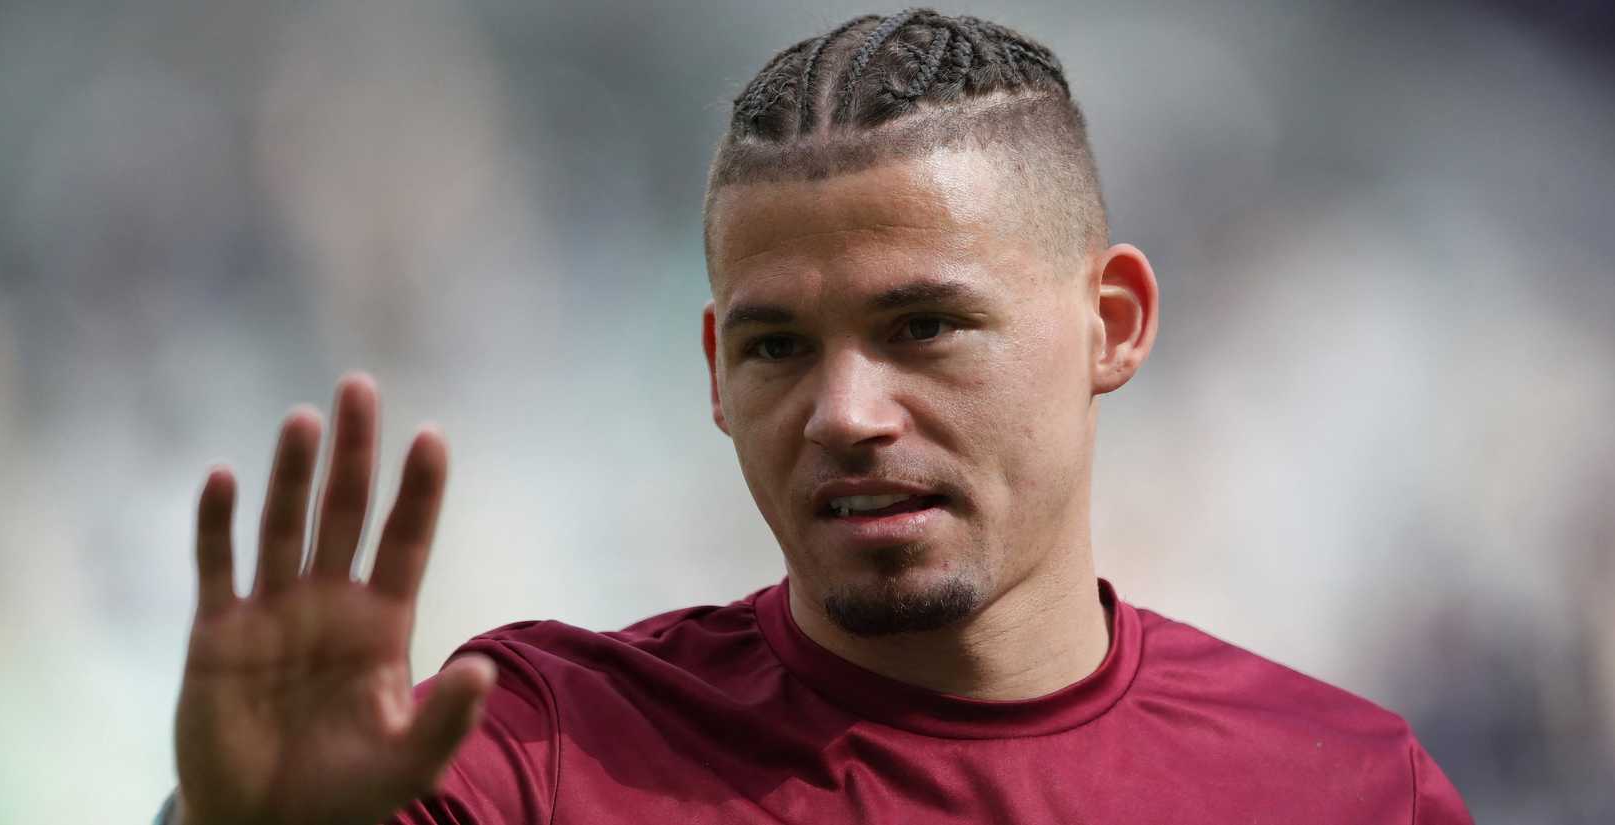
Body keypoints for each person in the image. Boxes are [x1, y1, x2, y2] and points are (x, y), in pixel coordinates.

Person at [161, 9, 1473, 824]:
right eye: (777, 345)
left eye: (924, 327)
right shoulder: (541, 753)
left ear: (1111, 323)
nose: (843, 413)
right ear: (713, 372)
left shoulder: (1348, 789)